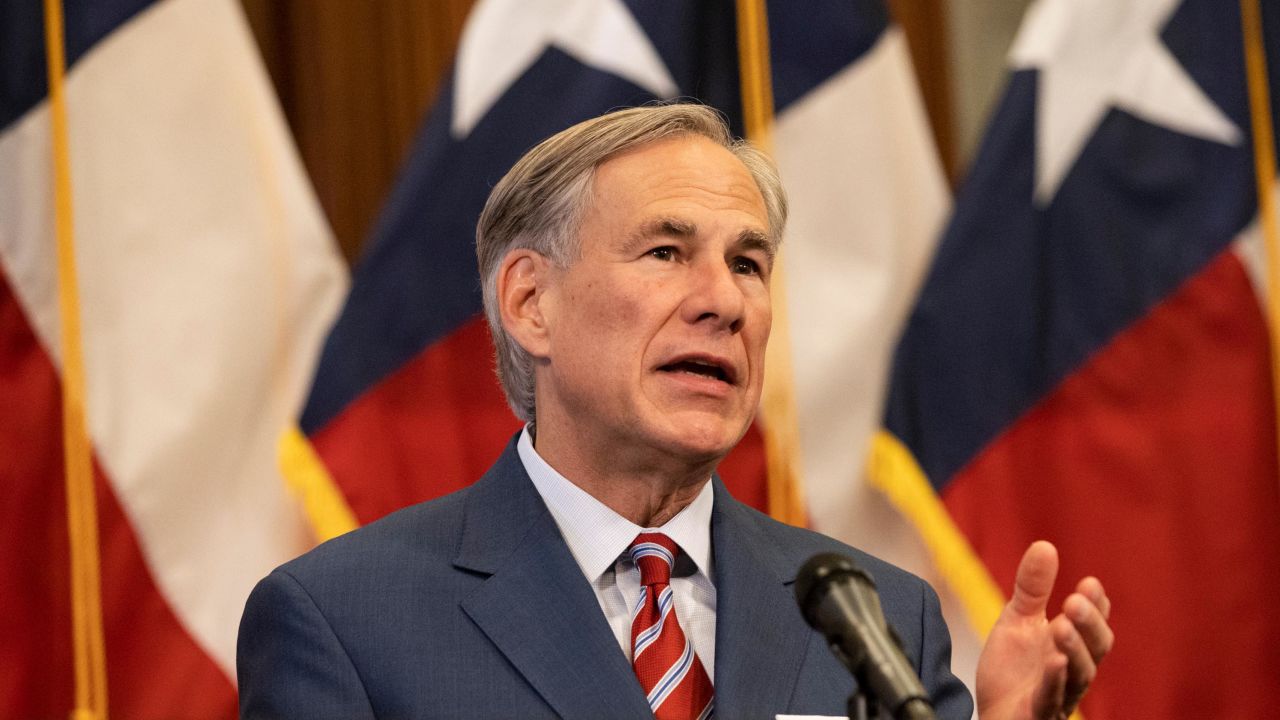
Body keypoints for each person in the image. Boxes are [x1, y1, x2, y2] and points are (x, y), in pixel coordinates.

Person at [237, 104, 1112, 719]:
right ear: (531, 302)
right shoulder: (346, 621)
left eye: (749, 263)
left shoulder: (878, 616)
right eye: (666, 251)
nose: (723, 301)